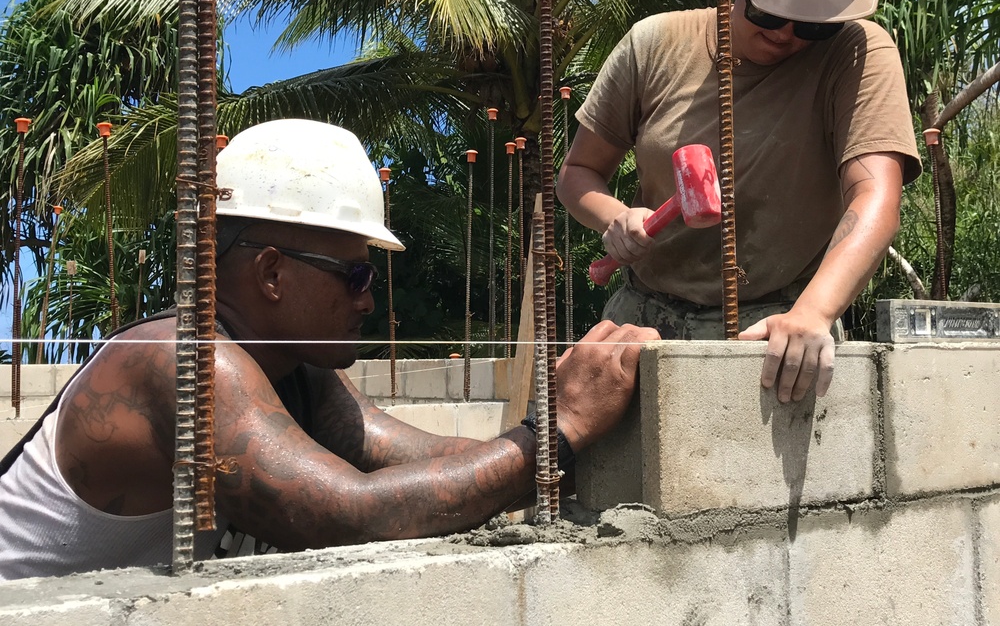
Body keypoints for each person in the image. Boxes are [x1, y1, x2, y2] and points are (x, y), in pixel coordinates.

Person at [0, 118, 659, 580]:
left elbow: (416, 460)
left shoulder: (290, 367)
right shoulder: (184, 361)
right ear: (269, 273)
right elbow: (350, 515)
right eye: (355, 275)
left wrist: (585, 448)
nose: (368, 301)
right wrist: (560, 429)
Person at [557, 0, 921, 404]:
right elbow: (576, 174)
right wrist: (614, 216)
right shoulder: (655, 45)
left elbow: (876, 197)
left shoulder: (858, 55)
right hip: (642, 320)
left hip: (775, 324)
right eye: (769, 10)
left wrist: (813, 313)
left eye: (816, 23)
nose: (789, 34)